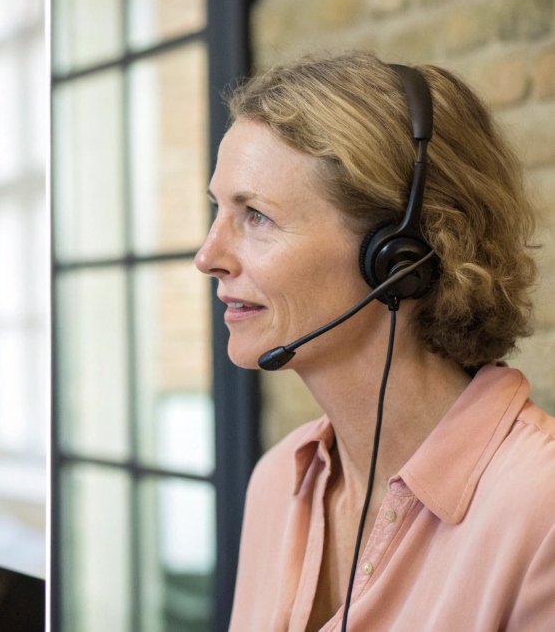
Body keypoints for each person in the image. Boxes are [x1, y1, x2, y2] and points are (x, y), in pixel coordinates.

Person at [196, 52, 555, 630]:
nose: (208, 257)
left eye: (256, 216)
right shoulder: (277, 479)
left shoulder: (541, 510)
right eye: (219, 210)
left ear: (398, 256)